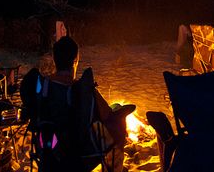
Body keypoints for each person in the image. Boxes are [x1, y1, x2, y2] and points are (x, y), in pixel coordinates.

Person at [21, 36, 135, 172]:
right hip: (79, 156)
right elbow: (106, 115)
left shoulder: (41, 86)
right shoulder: (83, 89)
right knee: (117, 124)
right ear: (75, 61)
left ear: (55, 59)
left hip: (47, 151)